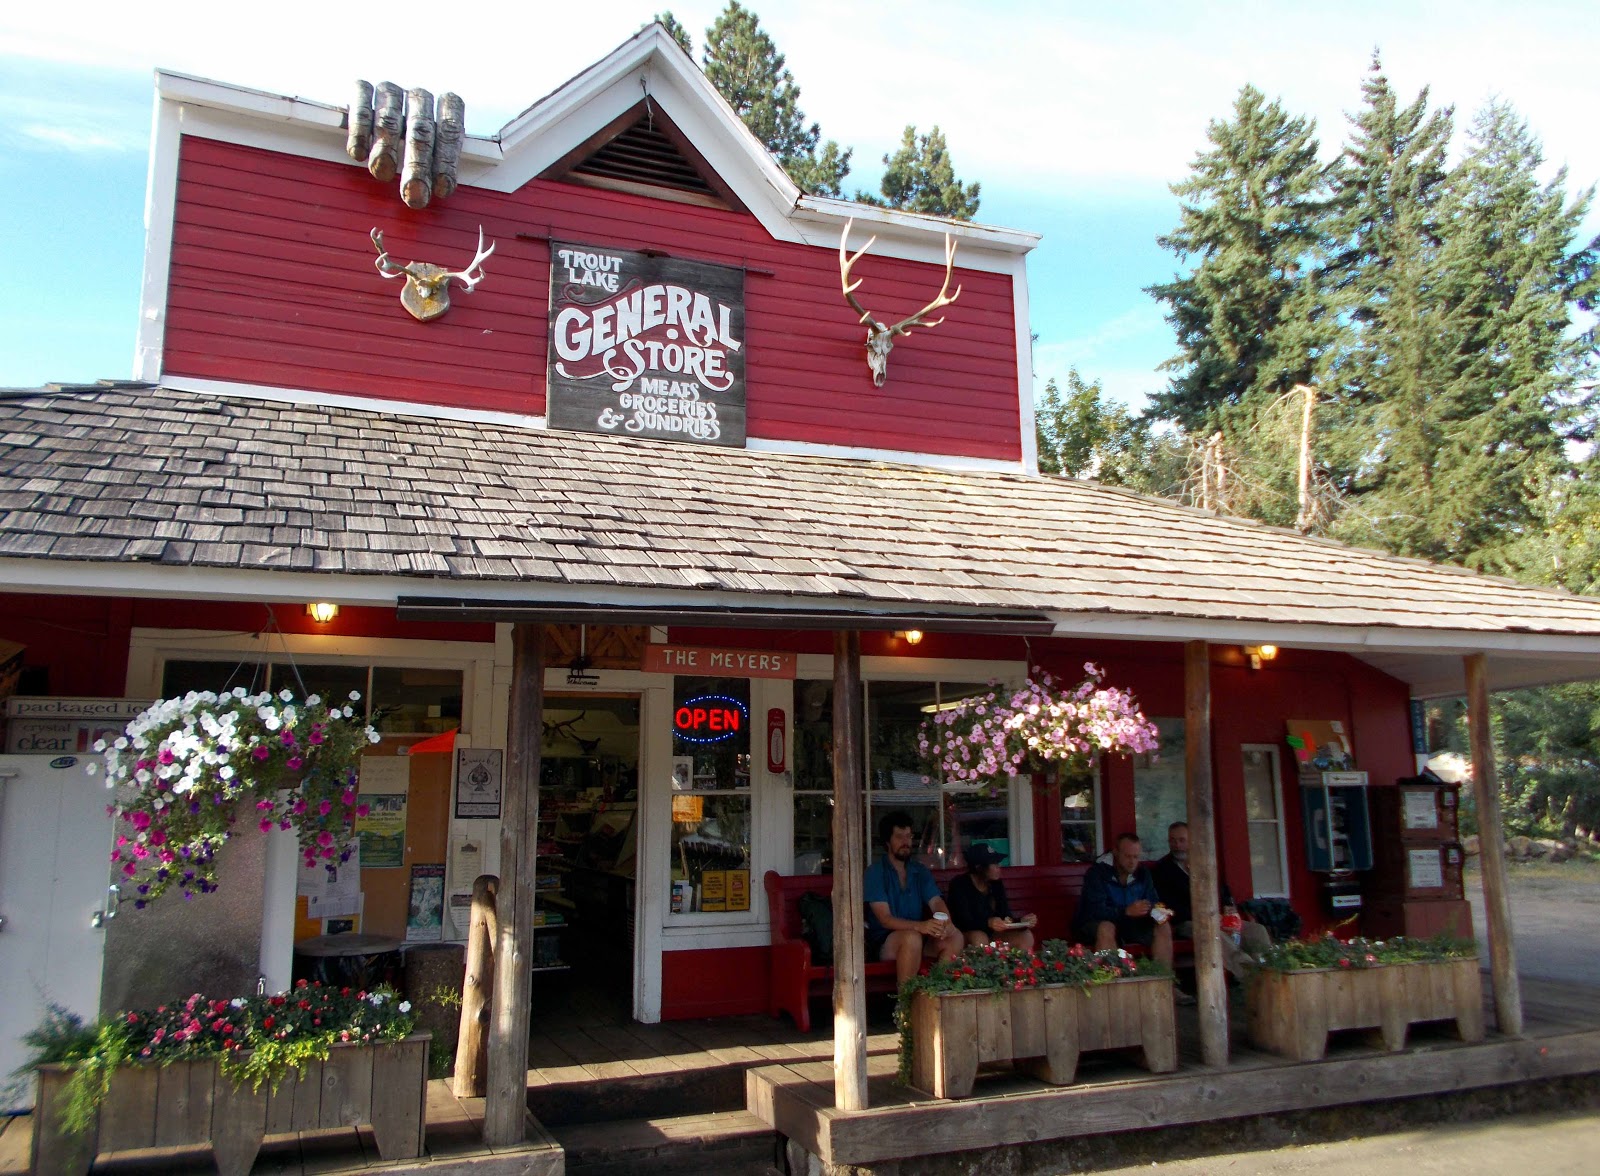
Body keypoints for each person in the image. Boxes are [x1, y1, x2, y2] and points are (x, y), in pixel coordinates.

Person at [1152, 821, 1273, 980]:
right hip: (1187, 922)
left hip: (1216, 917)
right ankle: (1251, 975)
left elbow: (1222, 891)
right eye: (1173, 841)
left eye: (1181, 840)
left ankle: (1270, 970)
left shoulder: (1202, 863)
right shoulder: (1162, 869)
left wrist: (1228, 910)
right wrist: (1207, 917)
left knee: (1257, 931)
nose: (1177, 845)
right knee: (1214, 934)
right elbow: (1168, 906)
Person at [864, 810, 965, 984]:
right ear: (887, 841)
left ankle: (936, 988)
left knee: (955, 937)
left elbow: (936, 901)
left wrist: (946, 923)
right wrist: (920, 926)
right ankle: (906, 998)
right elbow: (885, 920)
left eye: (909, 837)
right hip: (884, 942)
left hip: (919, 935)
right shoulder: (875, 872)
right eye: (899, 837)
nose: (906, 842)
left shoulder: (919, 871)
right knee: (911, 938)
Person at [1073, 831, 1173, 968]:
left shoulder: (1143, 873)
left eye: (1136, 857)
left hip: (1131, 924)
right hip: (1097, 924)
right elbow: (1094, 911)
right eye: (1127, 856)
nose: (1132, 862)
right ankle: (1113, 977)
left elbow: (1153, 901)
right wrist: (1125, 911)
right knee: (1106, 927)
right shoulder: (1097, 873)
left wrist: (1158, 912)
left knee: (1163, 925)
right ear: (1116, 852)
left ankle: (1163, 976)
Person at [946, 844, 1037, 950]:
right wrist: (988, 922)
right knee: (979, 938)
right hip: (964, 936)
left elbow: (1005, 916)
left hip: (992, 935)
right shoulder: (960, 884)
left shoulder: (996, 884)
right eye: (994, 863)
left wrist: (1021, 922)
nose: (999, 867)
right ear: (979, 867)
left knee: (1025, 936)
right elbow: (962, 921)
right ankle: (980, 961)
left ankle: (1017, 961)